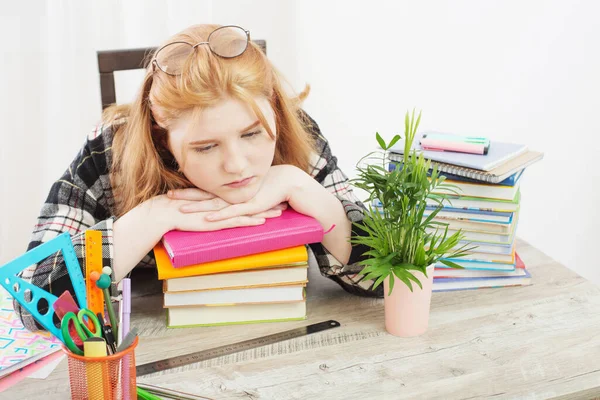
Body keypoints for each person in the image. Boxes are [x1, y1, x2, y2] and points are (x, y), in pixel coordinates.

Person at [16, 24, 382, 332]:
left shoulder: (297, 133)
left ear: (274, 107)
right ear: (164, 139)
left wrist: (298, 184)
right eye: (206, 147)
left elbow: (389, 280)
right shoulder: (110, 152)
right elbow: (35, 304)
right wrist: (154, 216)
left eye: (252, 134)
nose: (237, 165)